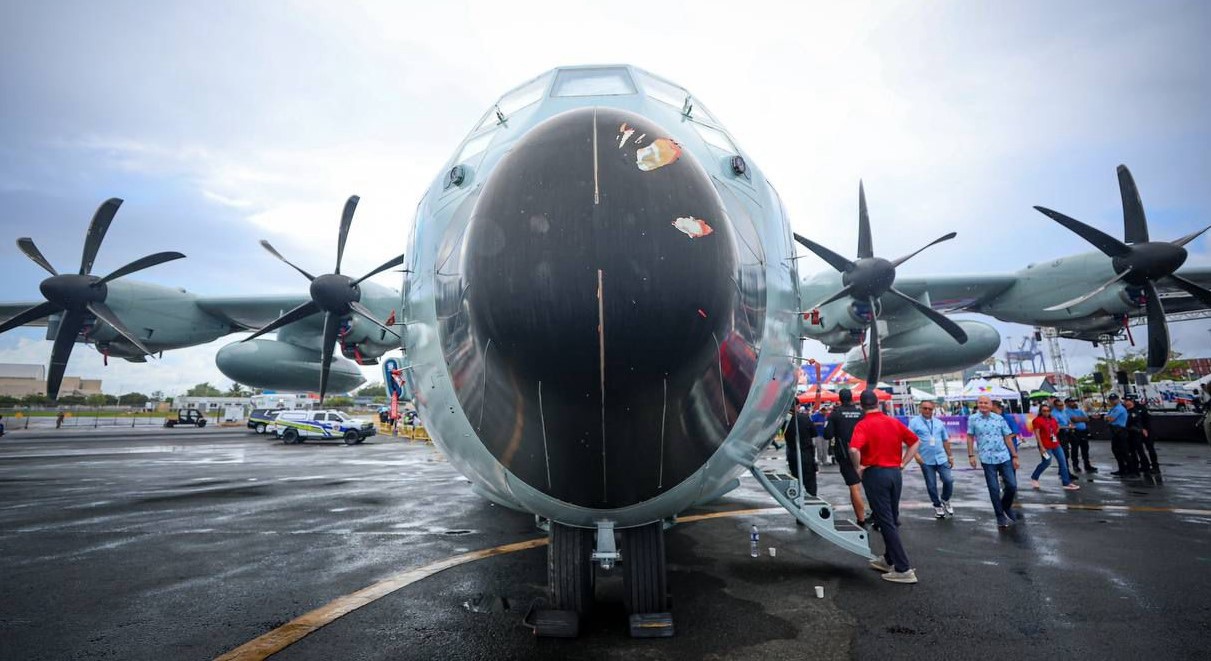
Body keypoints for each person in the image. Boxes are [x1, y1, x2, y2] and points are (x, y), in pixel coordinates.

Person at [849, 389, 920, 584]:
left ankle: (903, 568)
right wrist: (903, 462)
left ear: (861, 406)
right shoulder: (893, 422)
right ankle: (889, 559)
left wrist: (858, 467)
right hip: (895, 473)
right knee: (891, 517)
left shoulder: (863, 425)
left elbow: (853, 449)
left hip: (876, 474)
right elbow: (915, 442)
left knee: (885, 520)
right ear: (878, 403)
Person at [967, 395, 1021, 528]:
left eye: (986, 403)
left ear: (991, 405)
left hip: (1003, 457)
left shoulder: (999, 419)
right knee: (994, 488)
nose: (983, 405)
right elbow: (970, 437)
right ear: (977, 404)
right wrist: (971, 455)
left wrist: (1015, 456)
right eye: (980, 403)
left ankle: (1006, 506)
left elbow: (1007, 437)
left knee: (1012, 485)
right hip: (987, 459)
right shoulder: (973, 419)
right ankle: (1000, 515)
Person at [823, 389, 868, 526]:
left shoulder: (835, 414)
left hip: (845, 453)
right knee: (872, 486)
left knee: (854, 487)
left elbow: (827, 435)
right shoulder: (862, 413)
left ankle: (861, 520)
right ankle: (878, 516)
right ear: (852, 398)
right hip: (865, 452)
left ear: (840, 399)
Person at [908, 401, 954, 518]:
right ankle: (937, 505)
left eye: (930, 409)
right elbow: (910, 440)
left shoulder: (939, 423)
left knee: (948, 480)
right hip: (925, 459)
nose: (927, 411)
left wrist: (950, 456)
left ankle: (945, 499)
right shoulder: (914, 422)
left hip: (941, 457)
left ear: (933, 410)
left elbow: (945, 440)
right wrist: (916, 455)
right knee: (931, 485)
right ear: (920, 409)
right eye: (925, 408)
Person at [1029, 404, 1079, 491]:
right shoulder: (1037, 420)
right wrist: (1041, 447)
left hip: (1055, 444)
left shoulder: (1052, 419)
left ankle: (1066, 482)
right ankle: (1035, 477)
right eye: (1044, 411)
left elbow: (1057, 428)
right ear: (1040, 411)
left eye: (1048, 411)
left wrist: (1059, 429)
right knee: (1046, 462)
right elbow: (1037, 434)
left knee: (1063, 462)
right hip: (1045, 446)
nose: (1046, 412)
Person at [783, 401, 817, 498]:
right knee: (810, 481)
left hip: (792, 452)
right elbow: (814, 433)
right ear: (797, 406)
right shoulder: (805, 418)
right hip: (806, 453)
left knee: (796, 478)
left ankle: (798, 499)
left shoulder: (785, 419)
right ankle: (811, 499)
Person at [1125, 396, 1158, 475]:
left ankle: (1155, 466)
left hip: (1146, 430)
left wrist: (1145, 429)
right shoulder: (1127, 409)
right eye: (1126, 401)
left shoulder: (1141, 408)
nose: (1127, 402)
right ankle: (1144, 465)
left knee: (1150, 448)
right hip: (1136, 431)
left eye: (1129, 400)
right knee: (1139, 450)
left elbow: (1147, 419)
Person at [1105, 393, 1134, 477]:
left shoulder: (1119, 408)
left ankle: (1131, 471)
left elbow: (1110, 419)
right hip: (1114, 431)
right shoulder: (1113, 409)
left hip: (1120, 431)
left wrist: (1107, 418)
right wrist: (1107, 418)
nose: (1113, 401)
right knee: (1116, 451)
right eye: (1111, 400)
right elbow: (1106, 417)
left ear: (1118, 399)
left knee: (1124, 451)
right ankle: (1122, 469)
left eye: (1114, 399)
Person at [1065, 397, 1096, 472]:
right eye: (1071, 402)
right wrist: (1081, 419)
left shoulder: (1079, 410)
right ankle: (1075, 465)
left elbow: (1087, 419)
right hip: (1075, 432)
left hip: (1083, 431)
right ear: (1067, 403)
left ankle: (1087, 465)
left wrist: (1079, 419)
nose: (1073, 403)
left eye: (1073, 401)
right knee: (1075, 449)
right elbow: (1073, 419)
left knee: (1085, 448)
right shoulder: (1066, 411)